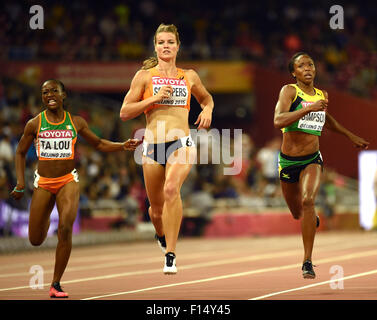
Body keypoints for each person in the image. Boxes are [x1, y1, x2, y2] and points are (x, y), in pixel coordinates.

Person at [10, 79, 141, 298]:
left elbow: (98, 144)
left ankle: (55, 283)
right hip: (43, 182)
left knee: (65, 228)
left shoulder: (76, 122)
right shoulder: (34, 123)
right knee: (35, 239)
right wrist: (21, 183)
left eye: (54, 91)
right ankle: (45, 227)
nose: (49, 95)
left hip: (67, 181)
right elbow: (20, 152)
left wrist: (122, 145)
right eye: (45, 92)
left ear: (63, 95)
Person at [120, 23, 214, 274]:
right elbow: (125, 112)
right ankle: (161, 236)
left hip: (180, 142)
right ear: (155, 46)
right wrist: (153, 98)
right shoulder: (144, 76)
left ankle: (170, 254)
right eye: (161, 42)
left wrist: (207, 109)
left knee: (172, 188)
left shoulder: (189, 75)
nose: (166, 46)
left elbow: (206, 98)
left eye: (170, 42)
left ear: (178, 46)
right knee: (156, 210)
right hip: (151, 146)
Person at [273, 52, 369, 279]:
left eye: (311, 64)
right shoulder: (289, 91)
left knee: (308, 200)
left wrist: (349, 135)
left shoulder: (321, 95)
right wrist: (308, 108)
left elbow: (327, 118)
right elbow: (278, 120)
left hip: (312, 159)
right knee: (298, 213)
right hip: (288, 161)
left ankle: (307, 261)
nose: (307, 68)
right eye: (301, 65)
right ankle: (310, 218)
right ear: (293, 72)